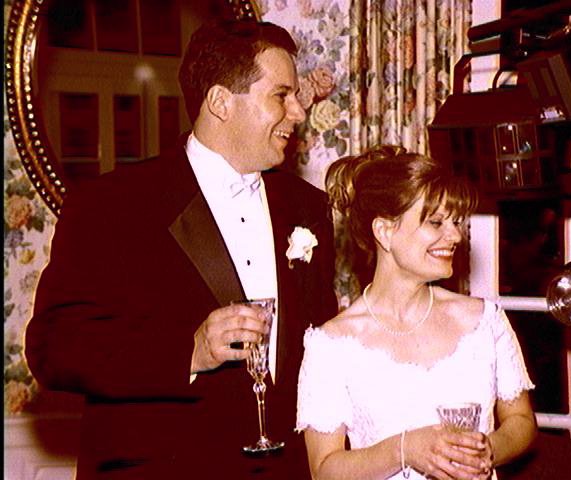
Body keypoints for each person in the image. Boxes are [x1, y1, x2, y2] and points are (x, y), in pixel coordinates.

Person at [25, 18, 337, 479]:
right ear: (220, 102)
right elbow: (54, 347)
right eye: (281, 95)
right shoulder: (112, 204)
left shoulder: (308, 208)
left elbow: (322, 347)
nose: (298, 111)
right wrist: (188, 353)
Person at [296, 145, 537, 479]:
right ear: (385, 231)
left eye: (455, 222)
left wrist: (488, 449)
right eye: (436, 222)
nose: (455, 235)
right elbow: (324, 470)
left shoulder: (484, 321)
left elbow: (521, 421)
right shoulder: (331, 344)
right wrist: (405, 449)